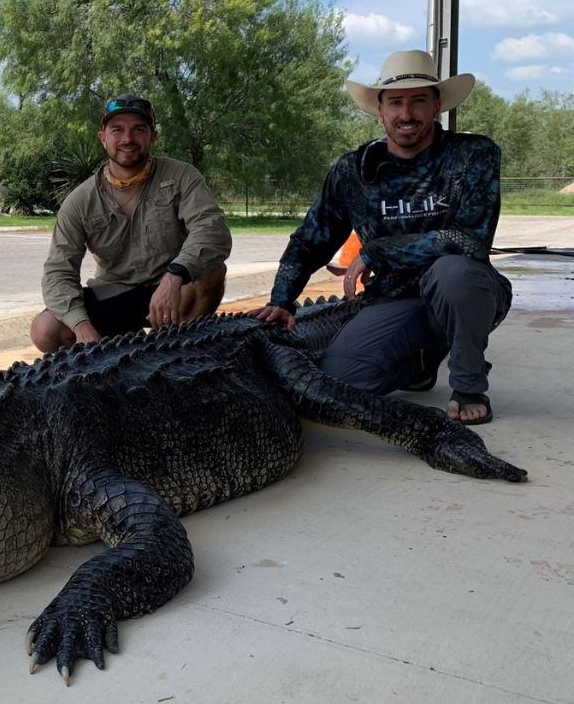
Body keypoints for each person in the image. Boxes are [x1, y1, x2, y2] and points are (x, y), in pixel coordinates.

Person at [249, 50, 511, 425]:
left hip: (464, 294)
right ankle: (419, 362)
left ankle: (469, 384)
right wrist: (281, 298)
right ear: (380, 109)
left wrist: (377, 252)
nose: (407, 114)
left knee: (453, 272)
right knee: (339, 382)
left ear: (436, 105)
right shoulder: (351, 171)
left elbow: (470, 240)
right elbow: (312, 238)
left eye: (418, 101)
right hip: (393, 299)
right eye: (396, 103)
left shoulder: (473, 154)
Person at [31, 94, 231, 353]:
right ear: (103, 138)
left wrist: (174, 277)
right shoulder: (78, 201)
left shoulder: (182, 176)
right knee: (44, 330)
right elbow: (58, 273)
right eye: (118, 130)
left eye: (139, 129)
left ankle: (179, 350)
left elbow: (211, 229)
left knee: (212, 271)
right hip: (113, 292)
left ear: (153, 136)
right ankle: (116, 346)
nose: (128, 138)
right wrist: (82, 327)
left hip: (173, 291)